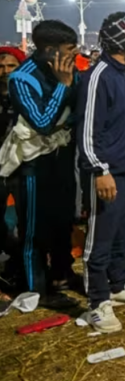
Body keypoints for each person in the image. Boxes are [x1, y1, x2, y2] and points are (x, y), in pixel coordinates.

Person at [77, 12, 125, 333]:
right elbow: (87, 131)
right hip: (106, 173)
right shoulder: (100, 76)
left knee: (124, 232)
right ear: (124, 42)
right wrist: (99, 170)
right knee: (101, 237)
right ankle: (98, 301)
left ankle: (119, 285)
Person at [4, 23, 80, 309]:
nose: (75, 54)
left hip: (61, 160)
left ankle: (62, 274)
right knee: (34, 229)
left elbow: (79, 111)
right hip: (33, 165)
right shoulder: (22, 79)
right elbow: (43, 122)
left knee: (63, 220)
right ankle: (35, 287)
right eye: (70, 49)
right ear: (50, 50)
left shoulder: (69, 71)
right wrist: (62, 85)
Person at [0, 46, 23, 290]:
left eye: (10, 66)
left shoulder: (25, 95)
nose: (5, 71)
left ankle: (19, 269)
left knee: (25, 222)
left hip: (21, 167)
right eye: (1, 67)